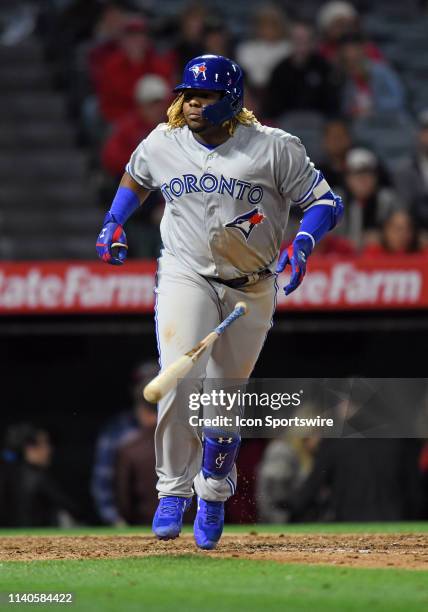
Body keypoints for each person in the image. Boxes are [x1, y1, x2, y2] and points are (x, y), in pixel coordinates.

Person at [96, 54, 344, 549]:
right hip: (186, 272)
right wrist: (113, 222)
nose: (191, 103)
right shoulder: (163, 141)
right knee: (178, 378)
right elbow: (136, 177)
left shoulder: (274, 148)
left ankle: (211, 493)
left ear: (230, 100)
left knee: (222, 403)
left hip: (251, 283)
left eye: (203, 95)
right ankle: (173, 491)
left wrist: (303, 243)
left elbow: (325, 202)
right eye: (187, 94)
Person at [91, 361, 159, 525]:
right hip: (135, 523)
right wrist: (117, 521)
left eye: (156, 383)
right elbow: (103, 481)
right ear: (133, 390)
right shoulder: (117, 431)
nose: (150, 390)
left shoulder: (185, 426)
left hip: (183, 520)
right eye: (144, 384)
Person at [96, 16, 173, 123]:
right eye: (131, 36)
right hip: (122, 121)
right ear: (122, 40)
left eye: (139, 36)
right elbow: (107, 102)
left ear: (146, 40)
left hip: (154, 120)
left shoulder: (159, 64)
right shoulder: (111, 66)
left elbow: (167, 97)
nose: (135, 41)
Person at [0, 424, 79, 527]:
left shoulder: (9, 471)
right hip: (34, 537)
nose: (49, 450)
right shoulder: (35, 477)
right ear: (29, 448)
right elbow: (72, 508)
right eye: (44, 444)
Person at [264, 21, 340, 119]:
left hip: (319, 120)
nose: (301, 44)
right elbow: (272, 105)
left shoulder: (324, 67)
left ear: (312, 42)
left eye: (305, 40)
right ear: (290, 41)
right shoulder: (280, 70)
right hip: (287, 121)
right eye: (297, 40)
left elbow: (331, 102)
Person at [102, 75, 171, 179]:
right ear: (140, 105)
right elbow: (110, 157)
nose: (157, 109)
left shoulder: (173, 127)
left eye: (160, 104)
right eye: (152, 104)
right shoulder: (127, 127)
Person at [342, 148, 402, 249]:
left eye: (368, 173)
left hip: (380, 257)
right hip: (340, 258)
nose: (363, 180)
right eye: (357, 174)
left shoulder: (387, 201)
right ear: (348, 178)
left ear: (376, 177)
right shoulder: (335, 201)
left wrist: (383, 237)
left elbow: (401, 230)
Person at [338, 33, 405, 119]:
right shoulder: (346, 77)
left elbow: (399, 99)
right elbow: (345, 107)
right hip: (360, 123)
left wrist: (373, 108)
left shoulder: (382, 70)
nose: (350, 54)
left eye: (353, 49)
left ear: (362, 49)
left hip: (390, 120)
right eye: (346, 50)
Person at [115, 397, 158, 525]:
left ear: (142, 412)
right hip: (198, 525)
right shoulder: (198, 443)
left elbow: (124, 501)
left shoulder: (130, 448)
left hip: (145, 525)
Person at [236, 4, 290, 90]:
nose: (269, 29)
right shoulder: (246, 49)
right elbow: (255, 78)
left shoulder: (288, 48)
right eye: (264, 24)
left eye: (273, 24)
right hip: (253, 92)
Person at [393, 109, 428, 229]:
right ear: (419, 134)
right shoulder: (405, 170)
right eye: (426, 130)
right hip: (418, 235)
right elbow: (404, 210)